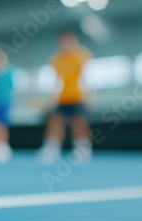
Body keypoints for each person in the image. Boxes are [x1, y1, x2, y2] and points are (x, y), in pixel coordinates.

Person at [38, 31, 93, 163]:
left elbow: (85, 77)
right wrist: (50, 99)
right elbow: (56, 81)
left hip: (77, 96)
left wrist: (89, 95)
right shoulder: (56, 59)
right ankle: (52, 148)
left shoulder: (82, 56)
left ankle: (83, 149)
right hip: (62, 98)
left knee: (78, 123)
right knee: (55, 122)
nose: (65, 44)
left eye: (68, 41)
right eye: (62, 42)